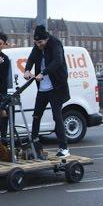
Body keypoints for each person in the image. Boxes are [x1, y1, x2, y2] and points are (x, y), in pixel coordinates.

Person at [23, 25, 71, 158]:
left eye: (41, 42)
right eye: (36, 43)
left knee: (57, 116)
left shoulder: (55, 44)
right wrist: (27, 70)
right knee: (36, 115)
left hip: (56, 87)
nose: (39, 45)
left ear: (46, 39)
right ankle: (34, 142)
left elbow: (57, 61)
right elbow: (31, 58)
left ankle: (64, 147)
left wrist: (43, 72)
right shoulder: (37, 46)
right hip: (43, 88)